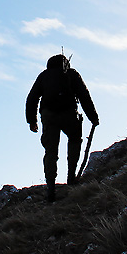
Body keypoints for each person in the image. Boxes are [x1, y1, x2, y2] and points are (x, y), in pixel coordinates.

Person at [26, 54, 99, 202]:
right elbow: (84, 95)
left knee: (50, 151)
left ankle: (51, 188)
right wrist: (93, 117)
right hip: (69, 114)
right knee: (74, 140)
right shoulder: (71, 74)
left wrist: (31, 121)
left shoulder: (43, 76)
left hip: (49, 116)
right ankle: (71, 177)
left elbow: (32, 98)